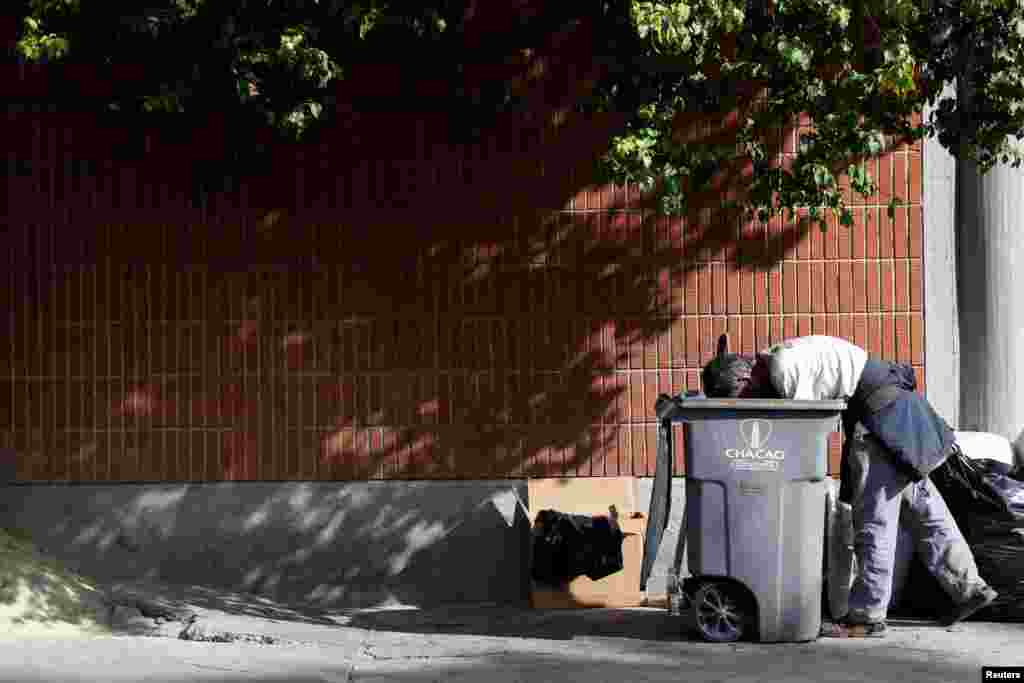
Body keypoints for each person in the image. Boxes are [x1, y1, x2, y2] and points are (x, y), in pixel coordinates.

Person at [701, 334, 998, 638]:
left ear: (742, 378)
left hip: (880, 425)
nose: (748, 399)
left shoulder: (783, 369)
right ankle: (970, 588)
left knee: (874, 523)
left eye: (741, 394)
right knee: (926, 512)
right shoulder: (779, 358)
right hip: (901, 414)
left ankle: (867, 616)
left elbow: (803, 424)